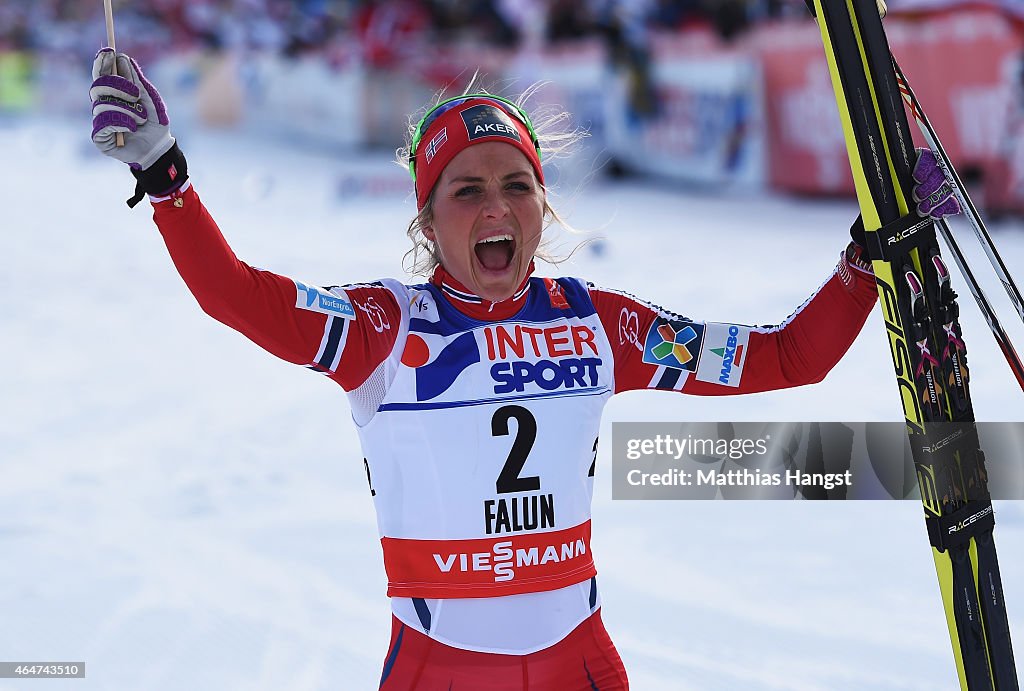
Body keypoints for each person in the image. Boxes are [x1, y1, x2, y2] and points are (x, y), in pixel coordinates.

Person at [89, 48, 959, 690]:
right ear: (428, 223)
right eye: (466, 191)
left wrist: (865, 262)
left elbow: (785, 357)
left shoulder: (597, 322)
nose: (497, 206)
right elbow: (233, 294)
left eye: (518, 185)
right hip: (441, 667)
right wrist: (166, 179)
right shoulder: (385, 330)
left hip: (580, 659)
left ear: (544, 205)